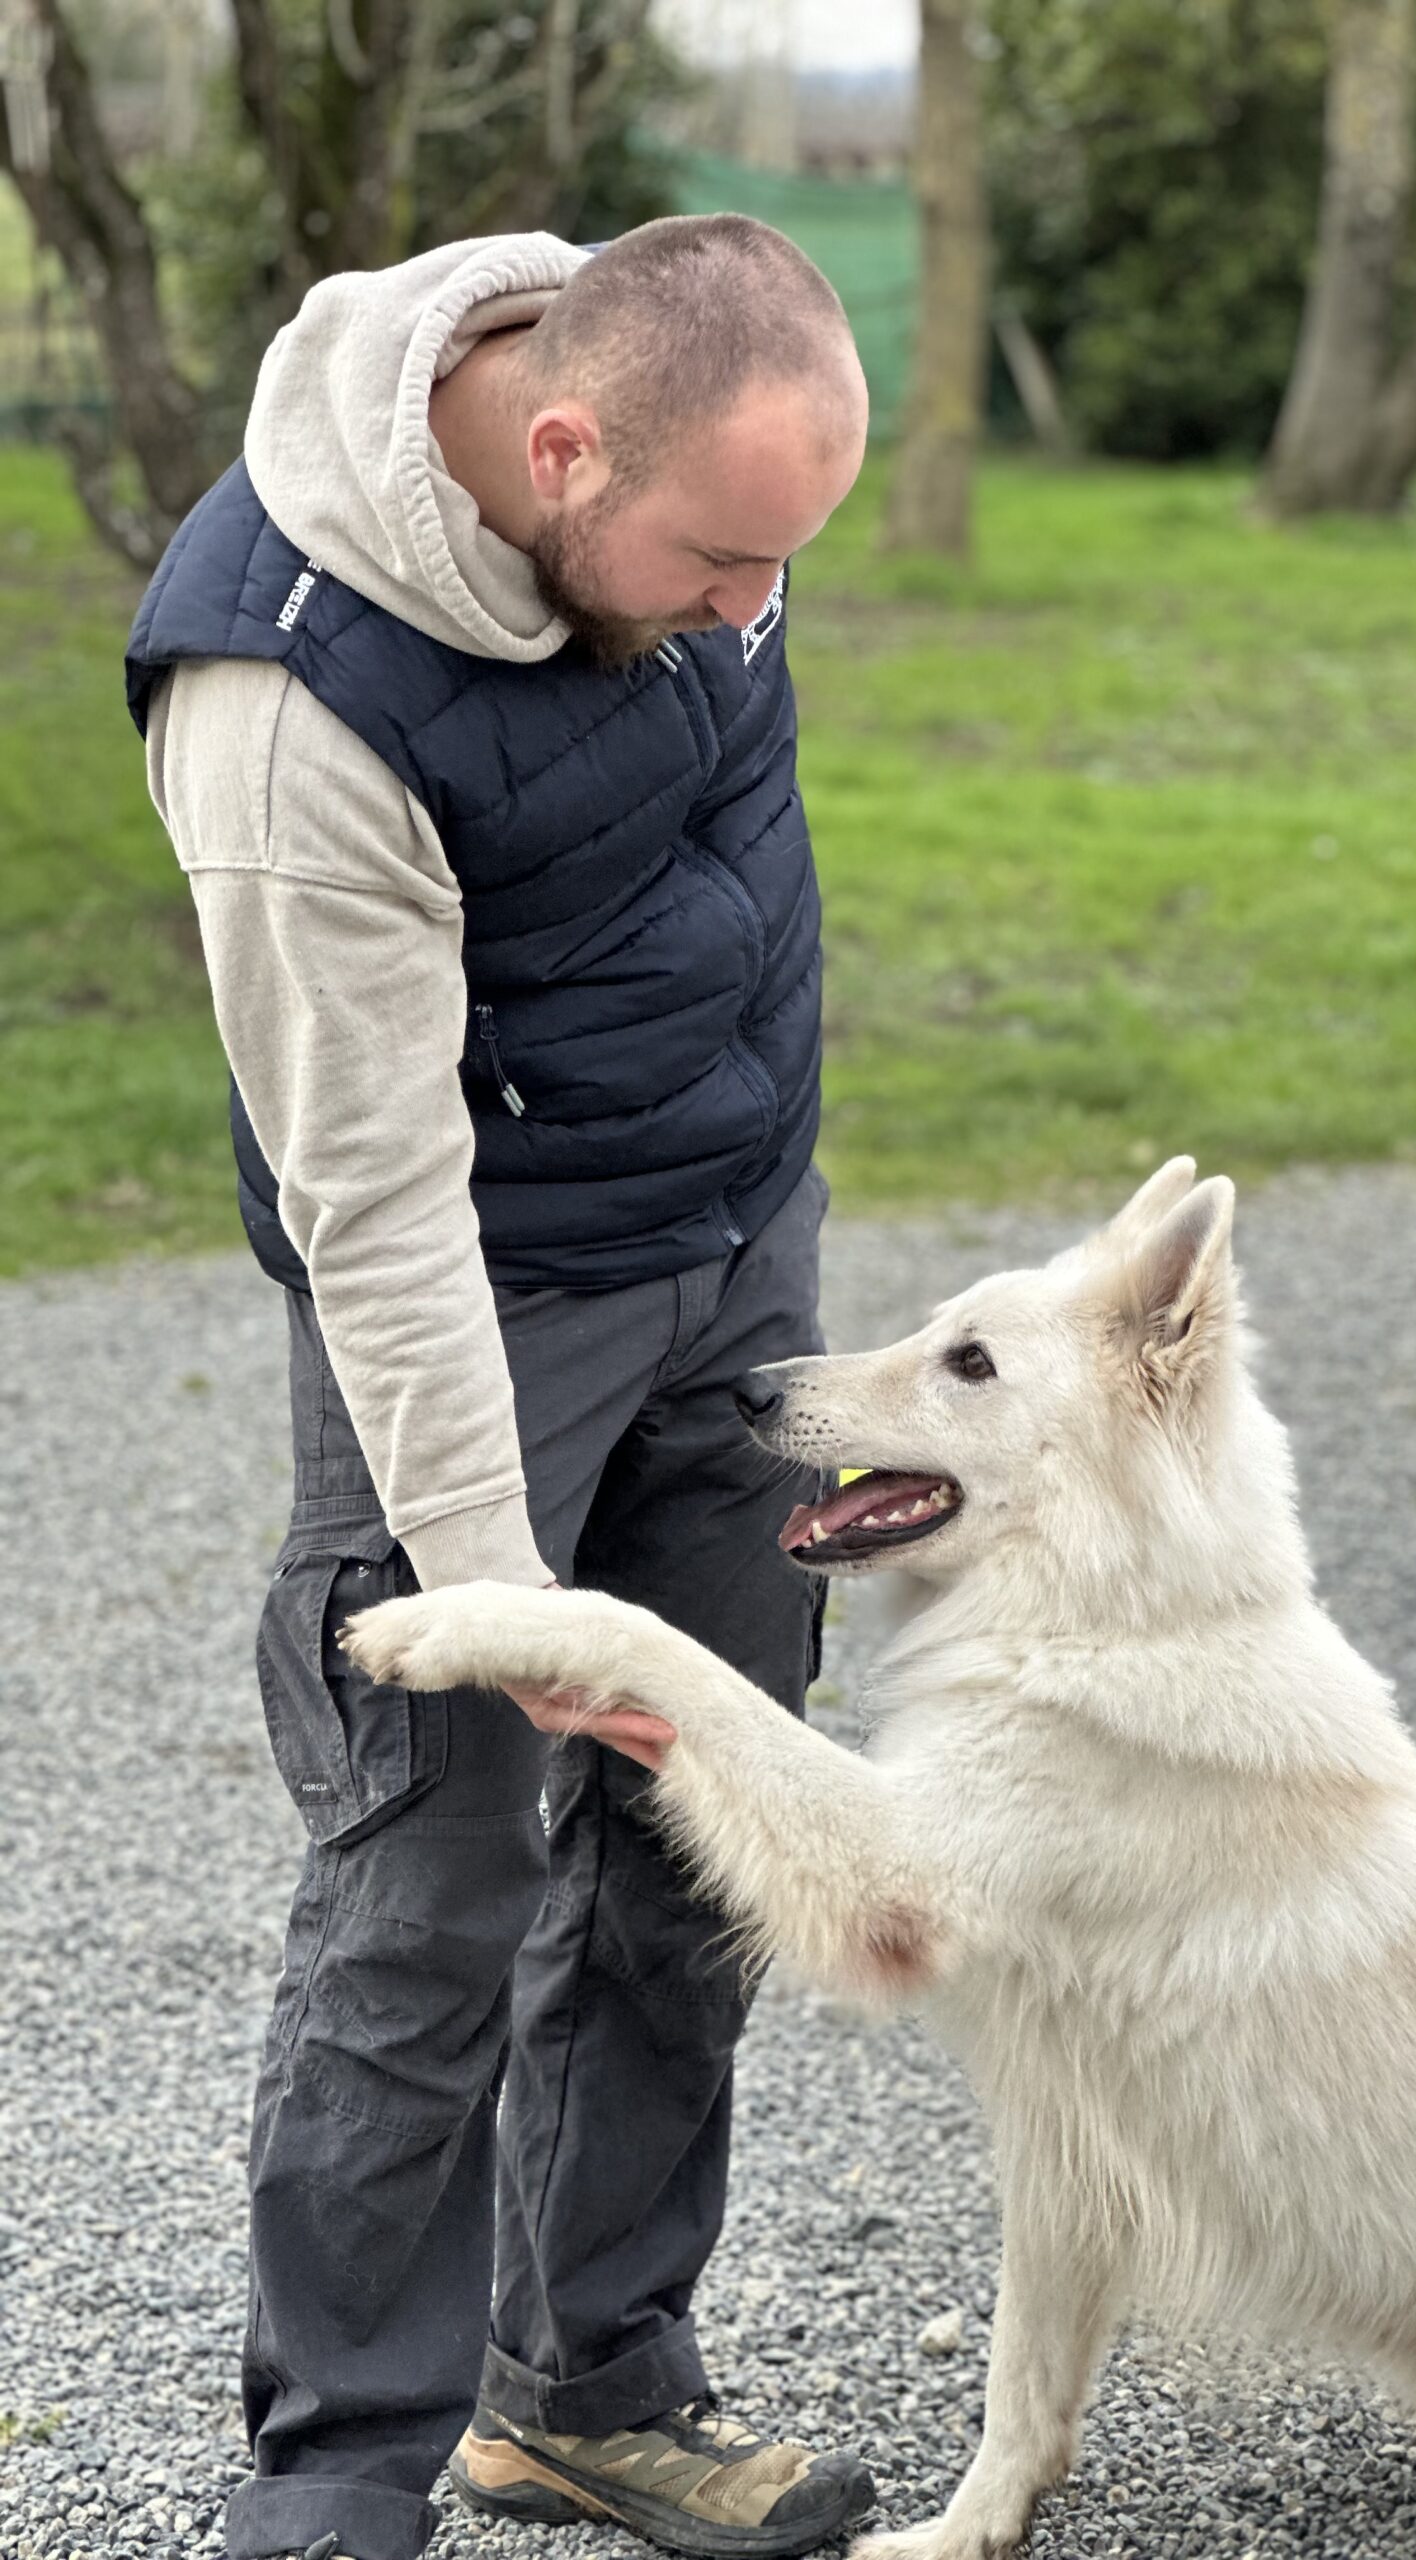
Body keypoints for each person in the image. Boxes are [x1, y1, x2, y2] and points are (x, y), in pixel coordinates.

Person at [124, 215, 873, 2560]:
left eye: (789, 558)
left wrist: (762, 1235)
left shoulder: (677, 436)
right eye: (723, 556)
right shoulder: (291, 698)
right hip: (474, 1314)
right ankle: (341, 2475)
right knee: (425, 1889)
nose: (757, 612)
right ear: (560, 450)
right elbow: (373, 1198)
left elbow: (690, 836)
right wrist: (494, 1590)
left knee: (696, 1839)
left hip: (734, 1263)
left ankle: (593, 2387)